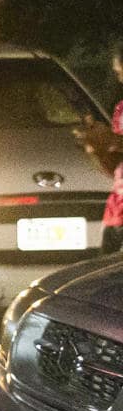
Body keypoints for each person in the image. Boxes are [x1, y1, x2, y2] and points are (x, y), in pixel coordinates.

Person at [75, 42, 123, 255]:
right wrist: (96, 147)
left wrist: (112, 141)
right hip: (117, 209)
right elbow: (114, 168)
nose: (119, 79)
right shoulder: (121, 110)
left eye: (120, 72)